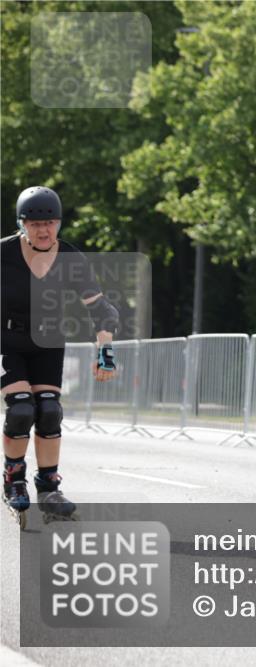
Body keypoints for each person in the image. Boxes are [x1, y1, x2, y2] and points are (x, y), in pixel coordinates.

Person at [1, 186, 118, 529]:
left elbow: (102, 310)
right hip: (5, 339)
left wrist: (106, 351)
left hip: (48, 339)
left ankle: (49, 488)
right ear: (21, 224)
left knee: (49, 410)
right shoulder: (4, 254)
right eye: (34, 224)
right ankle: (13, 477)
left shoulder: (70, 258)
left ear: (59, 224)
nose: (43, 230)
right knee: (22, 408)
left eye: (50, 223)